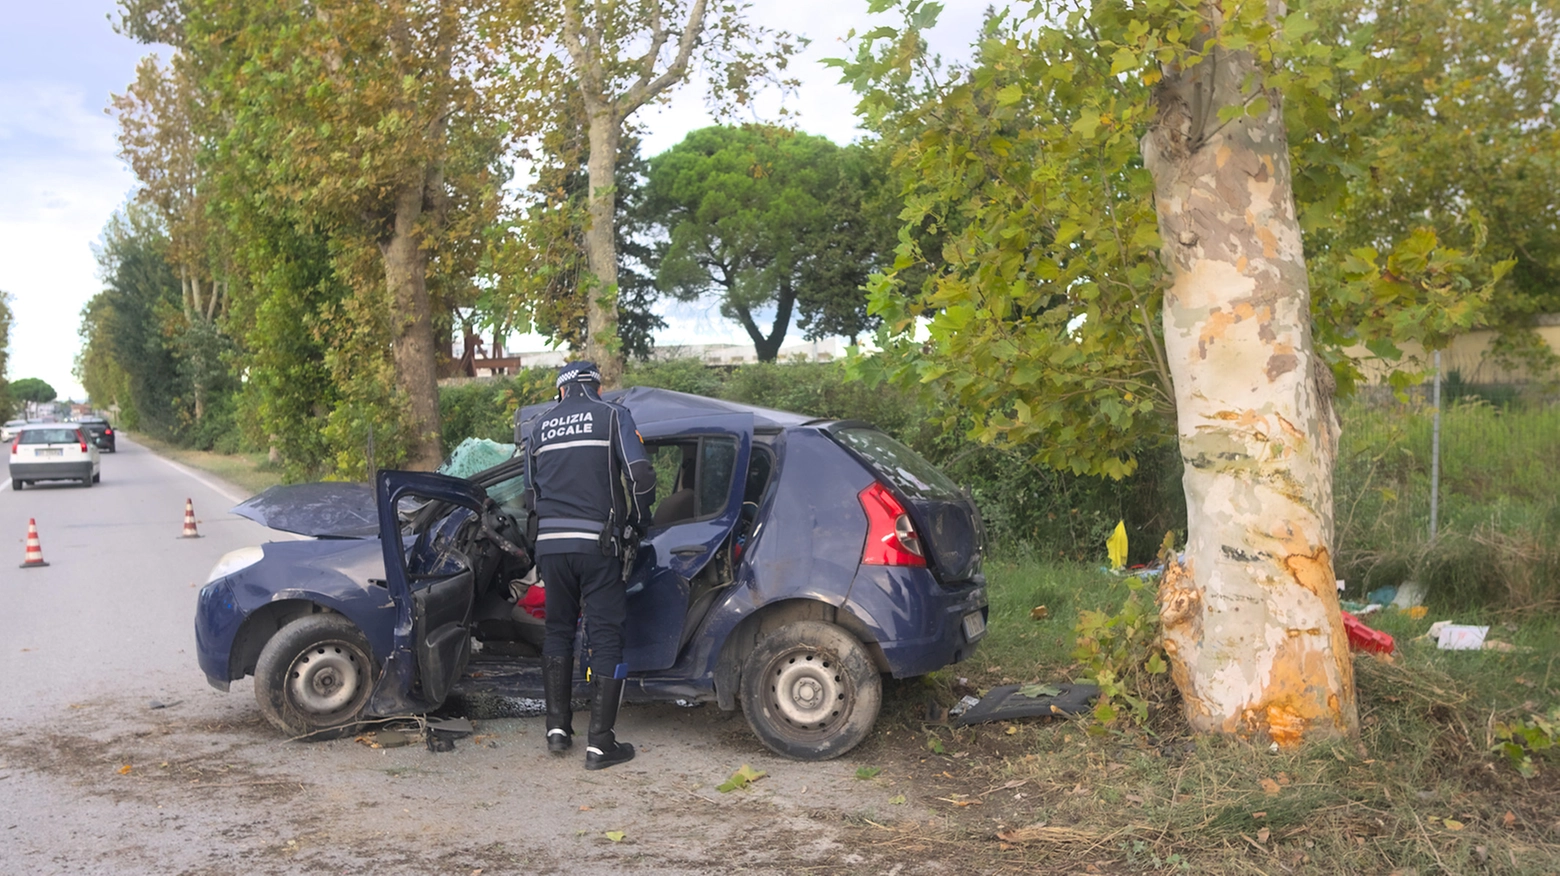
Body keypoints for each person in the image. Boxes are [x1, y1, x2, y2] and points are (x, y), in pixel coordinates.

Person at [522, 361, 656, 770]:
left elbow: (530, 495)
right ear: (597, 387)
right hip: (597, 545)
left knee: (558, 629)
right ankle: (601, 744)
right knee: (604, 634)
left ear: (560, 391)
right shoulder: (613, 416)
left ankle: (557, 729)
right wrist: (640, 519)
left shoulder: (539, 427)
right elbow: (640, 475)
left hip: (550, 546)